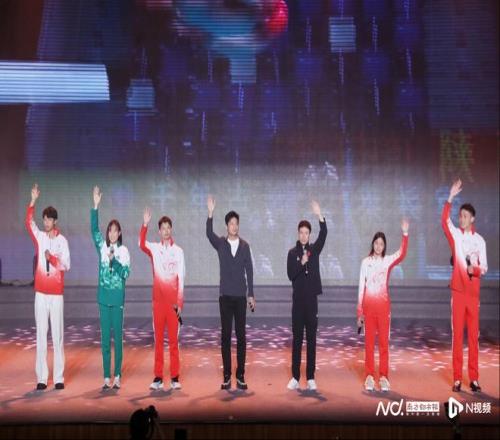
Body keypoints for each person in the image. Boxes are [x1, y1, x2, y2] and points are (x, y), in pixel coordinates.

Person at [442, 179, 487, 393]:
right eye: (460, 216)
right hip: (458, 293)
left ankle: (474, 379)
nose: (461, 219)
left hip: (473, 295)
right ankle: (458, 379)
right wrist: (450, 197)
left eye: (465, 216)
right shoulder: (456, 236)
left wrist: (474, 270)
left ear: (472, 219)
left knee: (474, 338)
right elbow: (444, 221)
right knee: (458, 337)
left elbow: (484, 267)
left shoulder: (480, 241)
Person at [206, 196, 255, 390]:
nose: (234, 226)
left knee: (241, 337)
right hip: (225, 297)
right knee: (226, 336)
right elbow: (208, 233)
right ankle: (227, 376)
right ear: (226, 226)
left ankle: (240, 375)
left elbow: (249, 270)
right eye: (231, 223)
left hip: (240, 297)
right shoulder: (220, 243)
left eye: (236, 223)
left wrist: (251, 294)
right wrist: (210, 213)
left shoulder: (245, 246)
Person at [25, 183, 70, 390]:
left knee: (57, 336)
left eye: (49, 219)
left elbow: (66, 265)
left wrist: (51, 258)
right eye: (44, 219)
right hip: (41, 294)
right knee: (41, 335)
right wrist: (33, 201)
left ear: (55, 221)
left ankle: (59, 377)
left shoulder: (62, 241)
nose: (45, 223)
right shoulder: (40, 237)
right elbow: (29, 223)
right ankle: (42, 378)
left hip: (56, 295)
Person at [356, 219, 409, 392]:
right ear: (373, 244)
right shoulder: (365, 262)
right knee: (369, 344)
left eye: (381, 244)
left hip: (384, 309)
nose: (378, 246)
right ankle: (369, 376)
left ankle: (384, 377)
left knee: (384, 344)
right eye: (376, 243)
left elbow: (401, 254)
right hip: (368, 310)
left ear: (384, 246)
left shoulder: (387, 261)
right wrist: (359, 312)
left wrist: (405, 234)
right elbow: (361, 287)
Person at [140, 207, 185, 391]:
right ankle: (158, 377)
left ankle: (174, 377)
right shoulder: (155, 249)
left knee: (173, 342)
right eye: (163, 228)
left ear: (171, 230)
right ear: (159, 231)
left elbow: (182, 278)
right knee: (158, 341)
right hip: (158, 304)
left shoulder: (178, 251)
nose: (166, 231)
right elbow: (141, 244)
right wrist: (145, 224)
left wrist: (180, 303)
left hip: (173, 305)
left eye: (168, 228)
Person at [91, 186, 130, 390]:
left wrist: (114, 261)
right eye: (110, 230)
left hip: (117, 300)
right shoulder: (102, 247)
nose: (112, 233)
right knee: (105, 340)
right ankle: (106, 376)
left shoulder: (124, 251)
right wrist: (95, 206)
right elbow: (94, 231)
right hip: (103, 299)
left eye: (115, 230)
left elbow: (125, 273)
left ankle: (117, 376)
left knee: (118, 340)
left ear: (119, 233)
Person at [286, 201, 327, 391]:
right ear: (298, 234)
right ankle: (295, 377)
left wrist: (319, 215)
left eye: (306, 233)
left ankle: (310, 377)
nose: (304, 235)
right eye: (301, 232)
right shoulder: (292, 253)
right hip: (298, 304)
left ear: (309, 235)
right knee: (297, 340)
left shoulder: (314, 250)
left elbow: (324, 234)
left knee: (311, 340)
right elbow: (290, 274)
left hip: (311, 302)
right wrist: (301, 262)